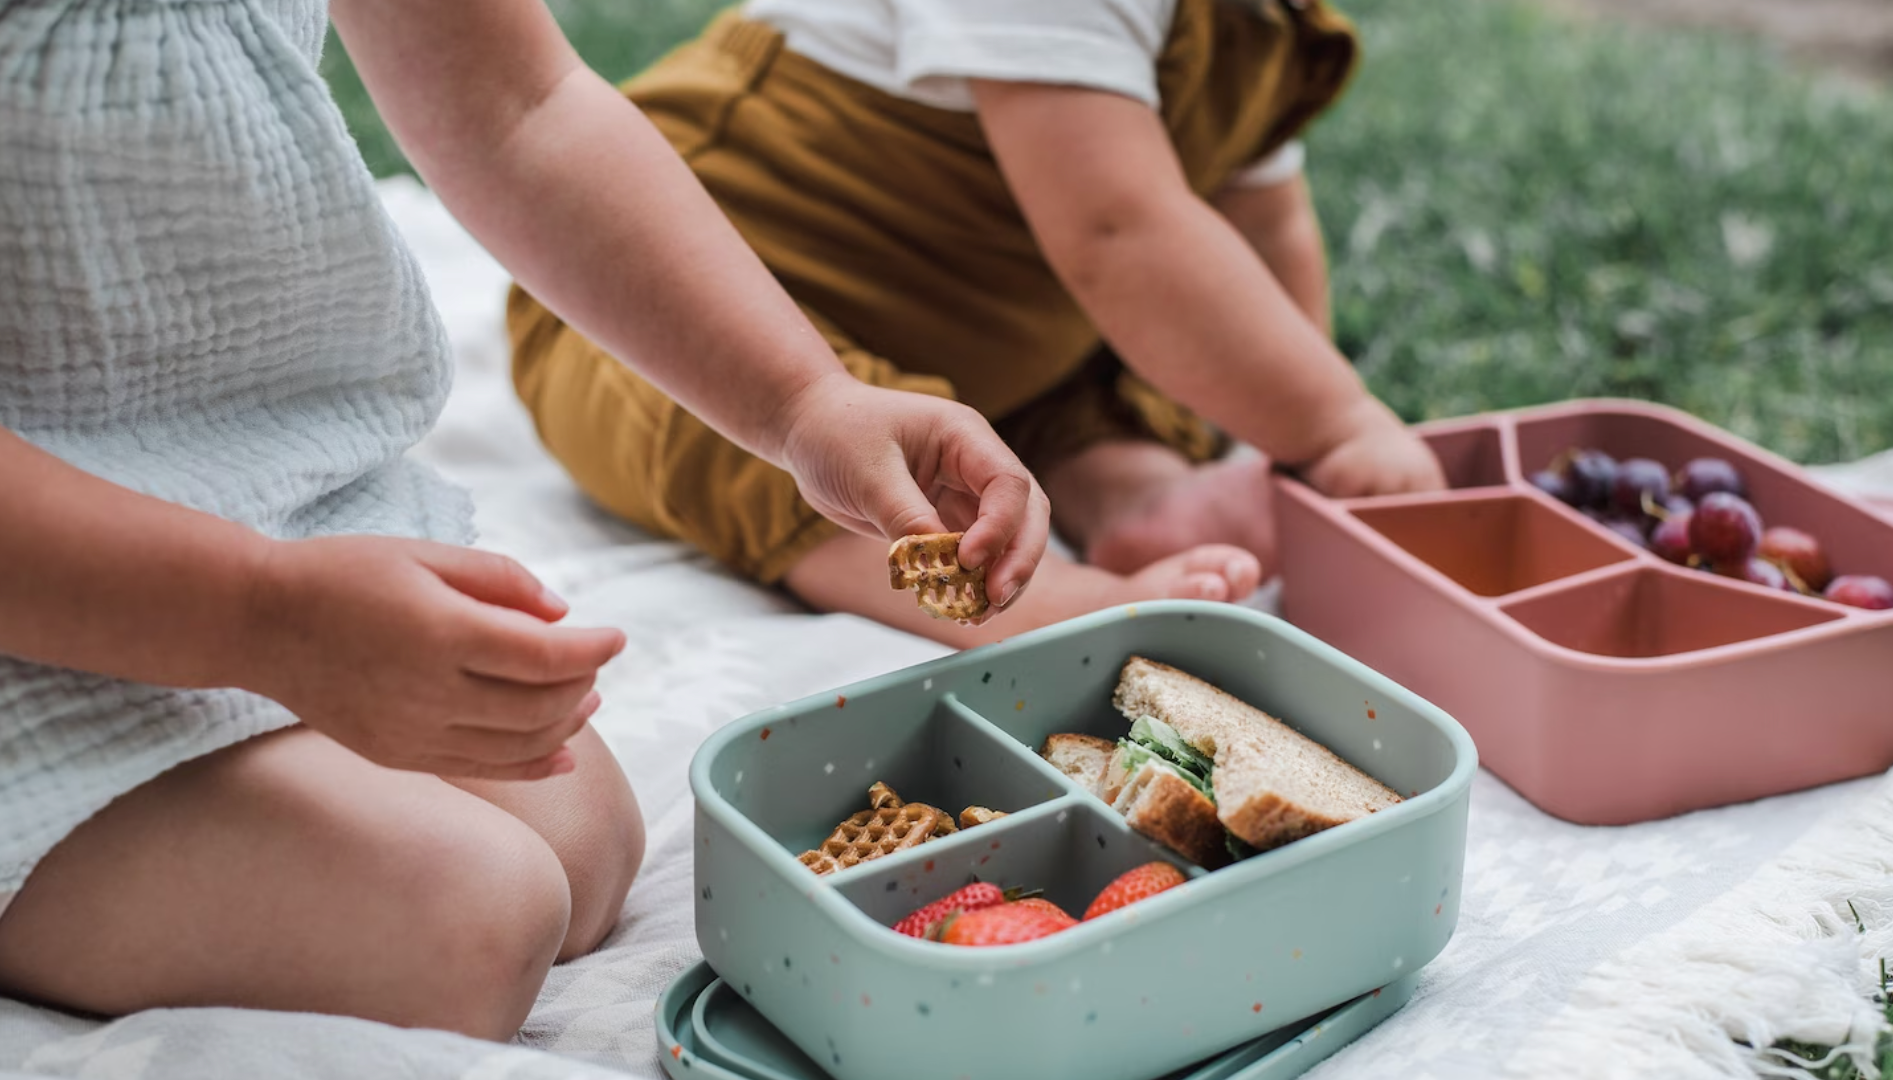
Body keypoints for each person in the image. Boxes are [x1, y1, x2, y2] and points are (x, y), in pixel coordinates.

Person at [0, 0, 1046, 1041]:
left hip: (215, 487)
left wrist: (805, 403)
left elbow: (520, 106)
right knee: (467, 925)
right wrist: (258, 619)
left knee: (583, 843)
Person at [508, 0, 1451, 648]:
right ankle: (1035, 598)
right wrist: (1339, 424)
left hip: (987, 337)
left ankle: (1126, 491)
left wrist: (1294, 433)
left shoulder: (1262, 22)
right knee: (791, 441)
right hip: (687, 305)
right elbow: (1117, 233)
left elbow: (1263, 220)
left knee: (1089, 372)